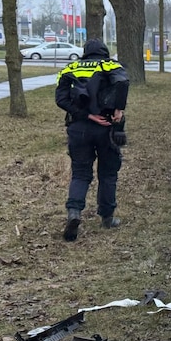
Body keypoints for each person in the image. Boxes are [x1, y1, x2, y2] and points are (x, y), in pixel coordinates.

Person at [54, 39, 130, 241]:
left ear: (85, 52)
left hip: (78, 128)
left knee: (80, 174)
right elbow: (122, 82)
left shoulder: (70, 68)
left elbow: (61, 99)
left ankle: (74, 213)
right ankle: (107, 217)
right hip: (106, 128)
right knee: (107, 174)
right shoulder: (110, 65)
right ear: (104, 51)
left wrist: (86, 115)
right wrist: (118, 109)